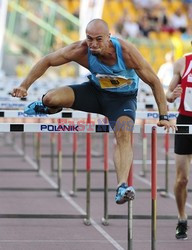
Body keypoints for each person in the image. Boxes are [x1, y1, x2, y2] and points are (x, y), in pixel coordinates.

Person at [12, 18, 174, 205]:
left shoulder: (127, 52)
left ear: (108, 38)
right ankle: (47, 107)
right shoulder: (80, 49)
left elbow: (154, 81)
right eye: (90, 39)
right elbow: (48, 60)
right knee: (50, 98)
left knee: (123, 134)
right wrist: (24, 85)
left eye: (99, 39)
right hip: (94, 93)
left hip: (121, 101)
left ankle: (122, 186)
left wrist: (163, 116)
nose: (94, 44)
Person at [166, 50, 192, 239]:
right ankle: (182, 218)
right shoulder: (182, 63)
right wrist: (172, 95)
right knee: (182, 178)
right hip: (185, 122)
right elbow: (168, 94)